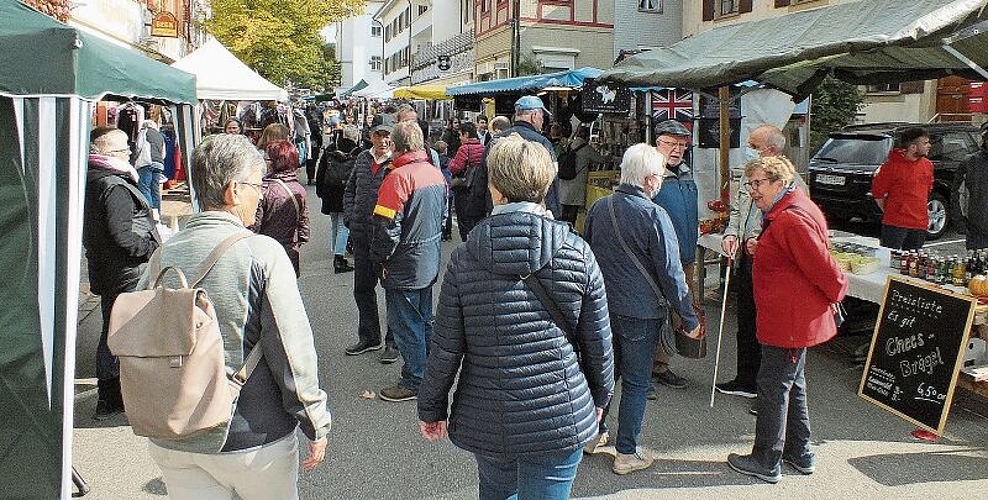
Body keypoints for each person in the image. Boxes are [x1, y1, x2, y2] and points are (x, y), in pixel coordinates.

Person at [417, 133, 614, 498]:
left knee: (496, 490)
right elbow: (599, 341)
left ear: (495, 187)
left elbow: (445, 347)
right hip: (560, 408)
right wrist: (600, 397)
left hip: (488, 413)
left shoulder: (467, 256)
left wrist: (431, 407)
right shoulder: (577, 252)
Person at [141, 134, 331, 499]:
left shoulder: (162, 256)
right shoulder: (261, 253)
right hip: (250, 433)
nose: (260, 195)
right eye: (256, 185)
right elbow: (292, 350)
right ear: (233, 189)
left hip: (175, 431)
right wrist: (315, 420)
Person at [727, 155, 847, 484]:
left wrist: (837, 294)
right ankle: (800, 450)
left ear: (780, 183)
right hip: (789, 318)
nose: (752, 191)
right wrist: (759, 246)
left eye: (758, 184)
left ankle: (766, 459)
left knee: (772, 387)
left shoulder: (791, 219)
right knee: (792, 385)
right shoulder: (787, 212)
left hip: (790, 321)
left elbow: (825, 269)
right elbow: (793, 257)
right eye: (750, 184)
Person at [583, 143, 701, 474]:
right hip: (641, 312)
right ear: (649, 179)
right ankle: (626, 452)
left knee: (606, 374)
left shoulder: (600, 207)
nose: (662, 181)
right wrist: (688, 317)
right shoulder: (654, 215)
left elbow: (588, 258)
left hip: (603, 307)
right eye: (660, 176)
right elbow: (672, 272)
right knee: (635, 381)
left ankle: (593, 434)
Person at [84, 127, 161, 420]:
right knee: (122, 334)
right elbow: (123, 236)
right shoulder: (111, 185)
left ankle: (111, 395)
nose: (130, 152)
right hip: (124, 272)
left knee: (113, 332)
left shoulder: (93, 179)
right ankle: (115, 395)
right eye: (124, 149)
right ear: (109, 154)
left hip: (109, 269)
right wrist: (151, 247)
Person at [718, 124, 797, 399]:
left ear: (771, 151)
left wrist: (761, 243)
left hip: (772, 264)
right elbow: (738, 212)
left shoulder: (790, 183)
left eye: (753, 146)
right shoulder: (749, 177)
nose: (747, 150)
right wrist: (730, 234)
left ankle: (768, 390)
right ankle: (746, 378)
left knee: (769, 326)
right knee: (747, 320)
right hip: (748, 259)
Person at [371, 121, 447, 402]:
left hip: (404, 262)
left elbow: (385, 227)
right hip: (428, 258)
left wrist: (380, 259)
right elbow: (442, 217)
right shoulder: (434, 173)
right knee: (424, 319)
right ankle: (428, 373)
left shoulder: (398, 177)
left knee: (406, 323)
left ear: (395, 145)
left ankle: (415, 378)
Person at [343, 113, 399, 363]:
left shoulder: (397, 164)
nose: (383, 140)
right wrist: (350, 218)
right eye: (379, 134)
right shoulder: (363, 159)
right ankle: (369, 336)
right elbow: (350, 190)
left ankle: (393, 342)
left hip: (385, 239)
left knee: (391, 291)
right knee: (363, 289)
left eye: (387, 135)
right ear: (371, 136)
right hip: (362, 237)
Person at [648, 119, 697, 392]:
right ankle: (642, 374)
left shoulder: (687, 173)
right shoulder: (651, 174)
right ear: (658, 144)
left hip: (686, 255)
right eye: (671, 143)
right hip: (660, 258)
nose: (677, 149)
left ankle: (661, 366)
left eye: (681, 144)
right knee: (655, 315)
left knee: (677, 313)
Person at [249, 140, 309, 276]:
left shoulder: (263, 189)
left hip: (264, 254)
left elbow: (253, 226)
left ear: (275, 161)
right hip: (289, 252)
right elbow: (304, 230)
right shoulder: (299, 189)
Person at [493, 96, 561, 216]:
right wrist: (555, 214)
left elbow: (482, 179)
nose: (543, 121)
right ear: (534, 116)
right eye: (542, 116)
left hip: (497, 213)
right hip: (534, 215)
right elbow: (551, 181)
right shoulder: (543, 143)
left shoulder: (496, 141)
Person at [871, 127, 934, 250]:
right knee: (890, 260)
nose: (929, 146)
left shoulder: (928, 165)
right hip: (896, 223)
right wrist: (892, 211)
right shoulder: (891, 166)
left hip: (919, 223)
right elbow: (878, 193)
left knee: (913, 262)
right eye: (925, 143)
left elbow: (927, 190)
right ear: (913, 147)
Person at [316, 124, 360, 273]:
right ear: (355, 136)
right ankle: (339, 257)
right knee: (344, 226)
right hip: (345, 192)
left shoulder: (330, 148)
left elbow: (321, 170)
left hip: (329, 191)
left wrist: (320, 190)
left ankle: (336, 250)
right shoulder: (358, 152)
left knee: (335, 223)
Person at [448, 121, 487, 240]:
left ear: (466, 134)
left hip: (465, 189)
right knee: (477, 220)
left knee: (464, 220)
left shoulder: (464, 149)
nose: (460, 138)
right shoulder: (483, 148)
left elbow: (456, 168)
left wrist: (451, 163)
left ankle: (466, 244)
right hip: (480, 188)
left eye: (460, 135)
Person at [558, 125, 603, 224]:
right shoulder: (587, 149)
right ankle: (569, 232)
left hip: (565, 181)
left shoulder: (569, 144)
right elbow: (601, 159)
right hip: (576, 184)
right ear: (587, 136)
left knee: (564, 211)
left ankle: (562, 231)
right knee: (572, 213)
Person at [953, 124, 988, 249]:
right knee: (976, 266)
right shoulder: (969, 163)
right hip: (976, 230)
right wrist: (960, 222)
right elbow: (956, 194)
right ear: (984, 139)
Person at [134, 119, 165, 212]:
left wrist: (135, 158)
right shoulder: (160, 136)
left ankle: (149, 211)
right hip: (159, 163)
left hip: (147, 162)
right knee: (155, 189)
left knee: (144, 187)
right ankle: (157, 212)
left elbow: (139, 146)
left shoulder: (144, 132)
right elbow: (163, 153)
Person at [434, 140, 454, 241]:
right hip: (449, 189)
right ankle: (448, 233)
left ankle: (440, 231)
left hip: (439, 188)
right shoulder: (450, 162)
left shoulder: (434, 162)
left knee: (439, 210)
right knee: (448, 211)